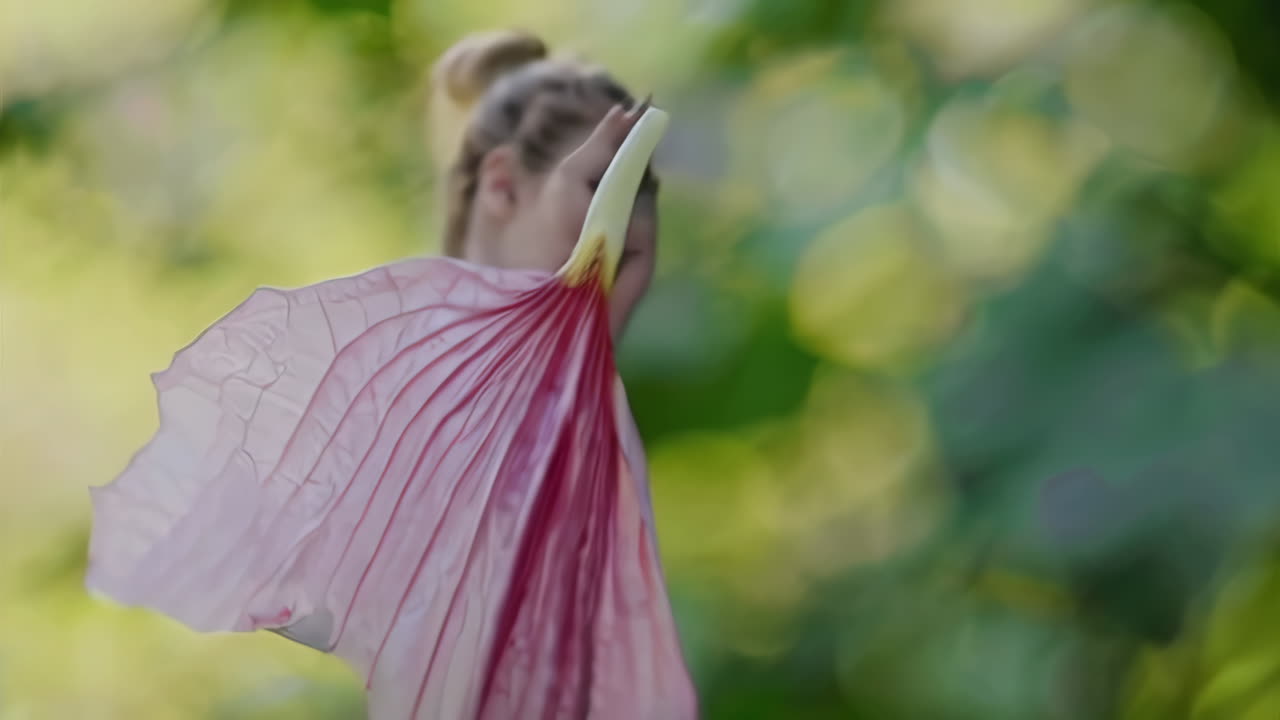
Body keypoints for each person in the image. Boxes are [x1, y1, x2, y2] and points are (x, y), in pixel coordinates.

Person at [86, 28, 698, 720]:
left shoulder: (580, 431)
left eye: (639, 254)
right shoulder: (425, 388)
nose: (623, 284)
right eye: (591, 195)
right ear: (499, 186)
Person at [429, 29, 660, 339]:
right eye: (601, 183)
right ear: (503, 186)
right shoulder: (394, 379)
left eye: (643, 190)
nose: (637, 229)